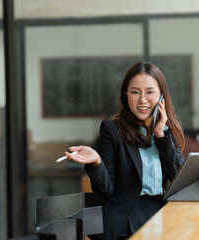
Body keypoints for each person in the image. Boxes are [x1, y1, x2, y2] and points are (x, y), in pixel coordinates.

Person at [66, 62, 185, 240]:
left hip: (163, 215)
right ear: (126, 95)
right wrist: (97, 163)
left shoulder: (167, 132)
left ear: (162, 97)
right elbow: (106, 191)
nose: (142, 100)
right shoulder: (112, 130)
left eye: (150, 92)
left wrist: (160, 135)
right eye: (135, 92)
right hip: (125, 221)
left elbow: (180, 180)